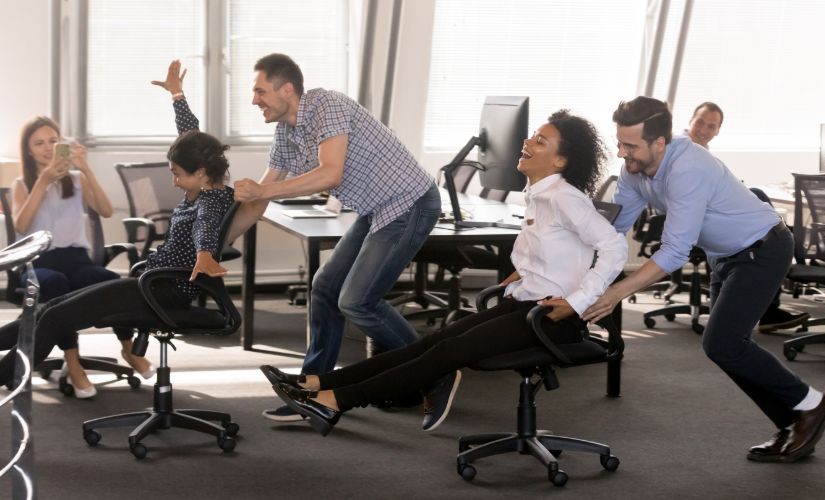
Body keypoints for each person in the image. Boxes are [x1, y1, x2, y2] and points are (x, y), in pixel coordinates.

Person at [262, 110, 628, 435]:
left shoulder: (565, 198)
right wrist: (526, 271)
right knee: (430, 343)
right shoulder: (541, 194)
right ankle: (317, 382)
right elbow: (559, 250)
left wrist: (577, 301)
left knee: (446, 352)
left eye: (540, 141)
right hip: (525, 304)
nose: (527, 142)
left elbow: (615, 247)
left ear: (561, 160)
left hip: (550, 318)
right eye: (532, 135)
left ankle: (333, 400)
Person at [152, 56, 441, 422]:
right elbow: (258, 201)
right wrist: (204, 251)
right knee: (324, 288)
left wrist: (263, 190)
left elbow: (330, 174)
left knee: (356, 301)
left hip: (410, 202)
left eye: (260, 90)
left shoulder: (326, 105)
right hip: (375, 208)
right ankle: (313, 388)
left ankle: (437, 370)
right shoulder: (286, 132)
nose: (254, 100)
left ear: (287, 89)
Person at [582, 97, 825, 464]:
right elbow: (615, 228)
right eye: (620, 143)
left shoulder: (689, 168)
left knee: (724, 344)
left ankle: (814, 405)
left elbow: (673, 253)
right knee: (726, 348)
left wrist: (615, 293)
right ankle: (794, 421)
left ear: (659, 143)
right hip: (726, 256)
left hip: (762, 249)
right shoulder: (633, 170)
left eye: (631, 146)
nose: (622, 153)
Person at [0, 130, 233, 395]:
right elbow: (191, 135)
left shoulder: (210, 202)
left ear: (202, 172)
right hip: (149, 284)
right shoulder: (202, 191)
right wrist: (177, 96)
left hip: (162, 290)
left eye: (177, 173)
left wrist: (204, 252)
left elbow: (205, 226)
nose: (174, 182)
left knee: (54, 317)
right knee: (50, 308)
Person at [11, 116, 154, 397]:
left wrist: (85, 167)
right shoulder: (22, 184)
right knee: (55, 285)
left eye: (53, 141)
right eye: (38, 143)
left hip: (76, 259)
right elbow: (20, 226)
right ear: (28, 150)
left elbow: (106, 210)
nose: (47, 147)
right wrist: (42, 182)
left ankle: (128, 349)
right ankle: (73, 363)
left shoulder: (75, 180)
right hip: (37, 262)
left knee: (113, 283)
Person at [685, 102, 809, 333]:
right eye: (700, 122)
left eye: (711, 126)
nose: (703, 129)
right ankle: (793, 255)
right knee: (758, 198)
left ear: (718, 131)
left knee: (757, 197)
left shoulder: (702, 153)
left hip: (712, 221)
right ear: (690, 120)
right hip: (693, 225)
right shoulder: (682, 152)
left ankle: (787, 255)